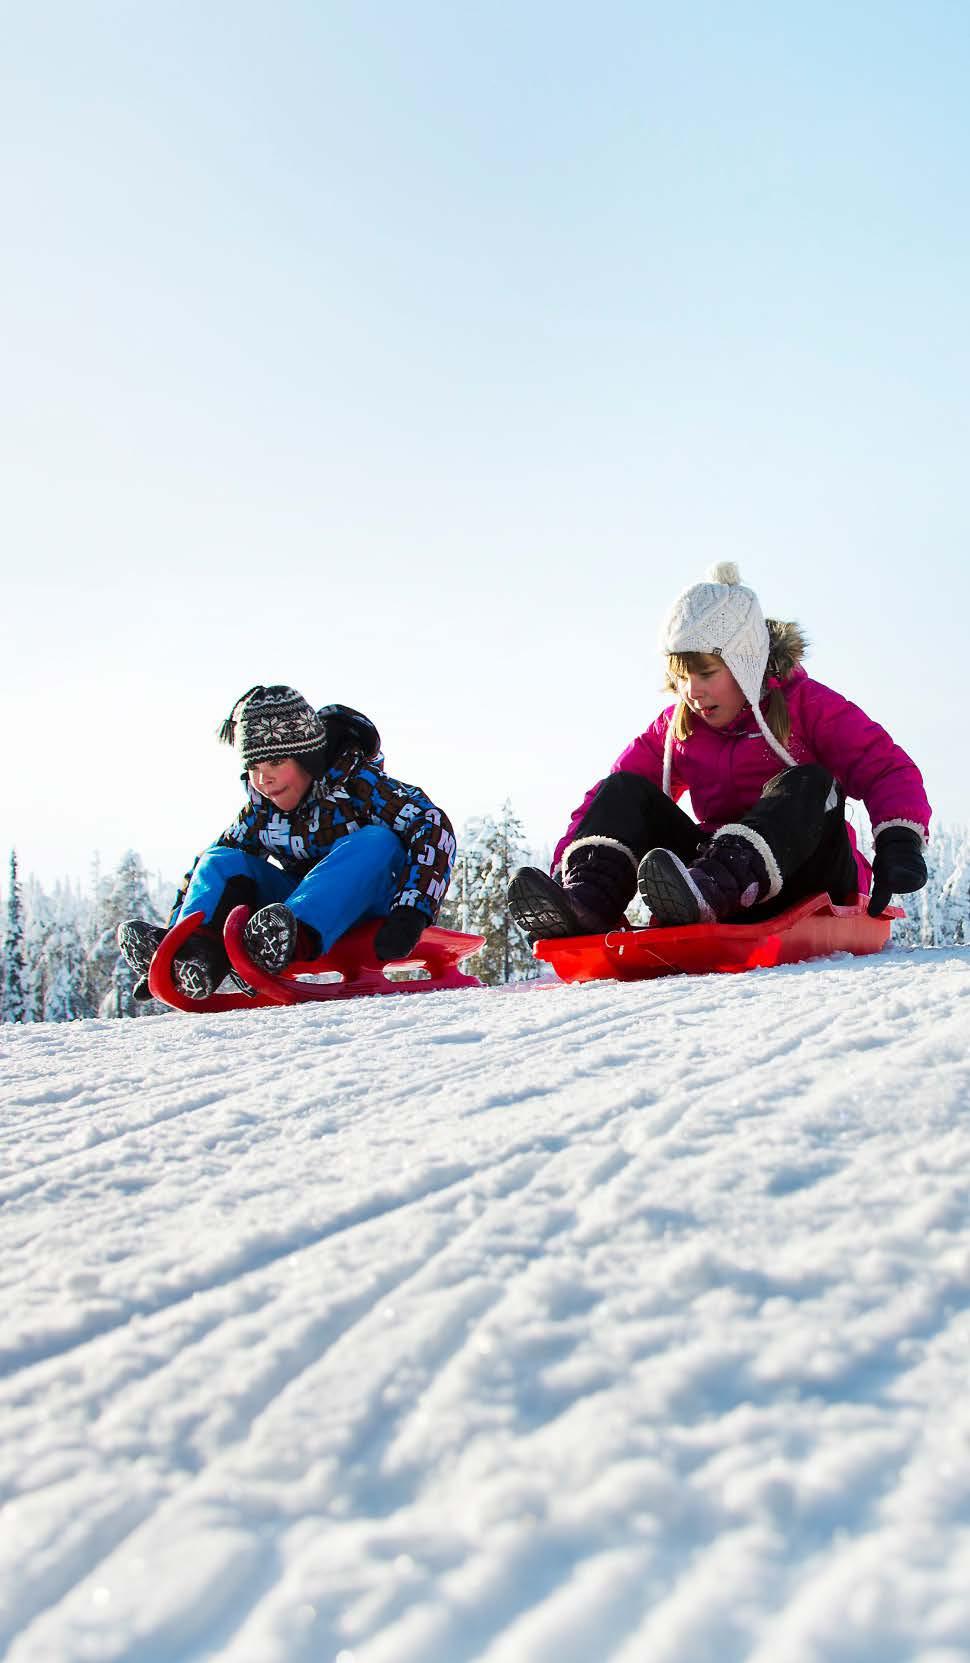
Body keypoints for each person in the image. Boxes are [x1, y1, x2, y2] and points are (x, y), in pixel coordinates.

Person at [508, 564, 930, 939]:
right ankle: (587, 901)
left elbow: (885, 766)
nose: (693, 692)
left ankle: (710, 888)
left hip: (810, 877)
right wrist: (562, 874)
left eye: (707, 673)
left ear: (744, 663)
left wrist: (900, 840)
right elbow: (605, 804)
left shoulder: (808, 706)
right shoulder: (678, 727)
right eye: (683, 677)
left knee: (810, 783)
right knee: (624, 788)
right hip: (713, 884)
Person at [117, 686, 456, 999]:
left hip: (375, 906)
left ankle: (286, 937)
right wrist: (175, 933)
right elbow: (207, 875)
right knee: (221, 859)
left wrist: (412, 912)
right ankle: (195, 951)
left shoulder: (363, 788)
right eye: (254, 766)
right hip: (287, 916)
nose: (265, 779)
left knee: (376, 842)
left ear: (307, 758)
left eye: (277, 762)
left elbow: (432, 825)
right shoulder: (260, 813)